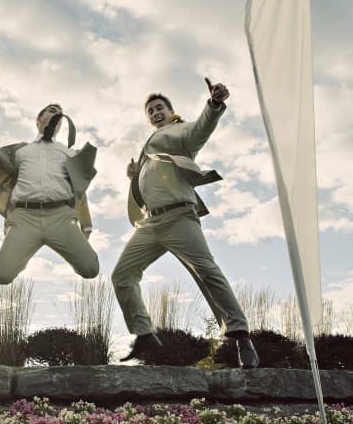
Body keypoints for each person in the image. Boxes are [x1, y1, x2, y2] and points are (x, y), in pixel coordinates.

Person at [111, 78, 259, 368]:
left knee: (207, 270)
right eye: (150, 110)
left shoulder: (180, 131)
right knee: (122, 275)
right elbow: (153, 180)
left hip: (179, 217)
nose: (155, 112)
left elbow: (200, 131)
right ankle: (144, 335)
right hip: (150, 225)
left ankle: (241, 337)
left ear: (170, 111)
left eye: (160, 108)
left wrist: (214, 105)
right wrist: (134, 175)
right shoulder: (148, 148)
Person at [0, 104, 99, 284]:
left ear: (60, 125)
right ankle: (25, 251)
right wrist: (8, 219)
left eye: (60, 115)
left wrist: (86, 224)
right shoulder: (20, 152)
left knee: (91, 269)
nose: (57, 116)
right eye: (51, 111)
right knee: (2, 276)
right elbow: (10, 186)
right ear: (38, 119)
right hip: (25, 218)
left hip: (60, 217)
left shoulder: (68, 152)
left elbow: (79, 187)